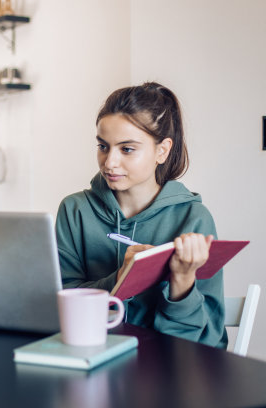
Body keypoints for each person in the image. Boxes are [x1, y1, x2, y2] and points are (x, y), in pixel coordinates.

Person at [55, 82, 227, 348]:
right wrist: (122, 276)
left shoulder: (194, 219)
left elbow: (207, 342)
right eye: (103, 146)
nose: (109, 162)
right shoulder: (74, 210)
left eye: (127, 149)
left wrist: (182, 280)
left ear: (162, 150)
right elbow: (61, 303)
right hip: (89, 357)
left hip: (168, 368)